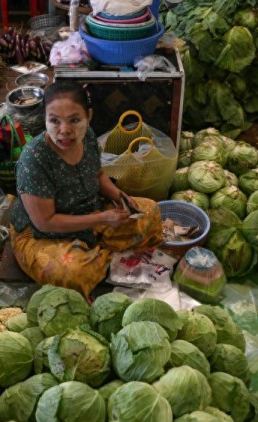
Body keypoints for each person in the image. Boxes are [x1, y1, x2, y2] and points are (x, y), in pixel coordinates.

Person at [9, 80, 164, 297]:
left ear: (88, 117)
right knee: (74, 272)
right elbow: (45, 221)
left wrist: (121, 197)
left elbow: (98, 174)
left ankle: (100, 254)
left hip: (88, 212)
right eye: (54, 121)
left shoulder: (88, 136)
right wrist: (103, 219)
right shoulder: (34, 159)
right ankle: (103, 255)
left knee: (150, 211)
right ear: (45, 119)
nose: (64, 131)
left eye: (74, 120)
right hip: (40, 234)